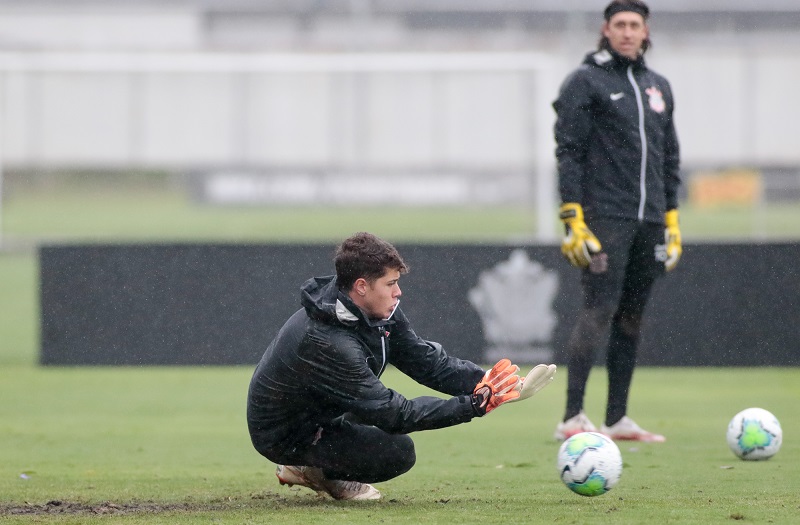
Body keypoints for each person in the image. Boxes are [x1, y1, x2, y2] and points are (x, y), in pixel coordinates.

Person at [247, 232, 557, 500]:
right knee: (396, 453)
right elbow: (396, 415)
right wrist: (474, 405)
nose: (398, 292)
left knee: (372, 412)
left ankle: (320, 463)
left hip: (326, 409)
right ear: (361, 287)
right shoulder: (328, 342)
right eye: (391, 283)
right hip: (286, 434)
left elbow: (427, 362)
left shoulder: (379, 310)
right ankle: (312, 468)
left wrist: (489, 381)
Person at [552, 0, 682, 443]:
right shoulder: (584, 82)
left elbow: (670, 157)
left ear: (646, 32)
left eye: (635, 25)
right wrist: (572, 214)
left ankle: (618, 418)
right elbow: (568, 151)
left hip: (650, 220)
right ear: (605, 30)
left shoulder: (658, 86)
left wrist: (672, 219)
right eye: (620, 24)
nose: (628, 32)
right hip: (605, 217)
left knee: (632, 318)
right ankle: (572, 416)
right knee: (598, 311)